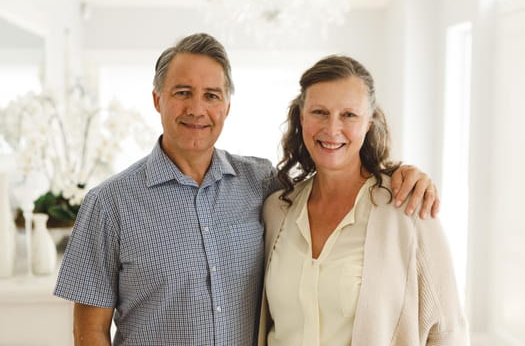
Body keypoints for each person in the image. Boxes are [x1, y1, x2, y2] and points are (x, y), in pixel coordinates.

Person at [54, 33, 439, 345]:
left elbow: (335, 171)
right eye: (182, 92)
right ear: (157, 99)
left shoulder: (262, 185)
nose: (197, 109)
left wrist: (399, 173)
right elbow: (89, 331)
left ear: (227, 105)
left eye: (211, 95)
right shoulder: (109, 205)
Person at [258, 55, 468, 346]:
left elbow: (448, 332)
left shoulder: (407, 207)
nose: (332, 129)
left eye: (349, 115)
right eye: (319, 112)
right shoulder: (276, 210)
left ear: (369, 122)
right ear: (301, 117)